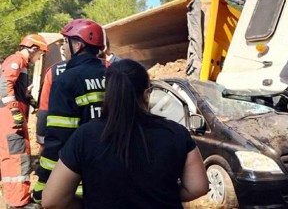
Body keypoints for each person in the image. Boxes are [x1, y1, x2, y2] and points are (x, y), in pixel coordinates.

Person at [41, 59, 208, 208]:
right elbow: (198, 187)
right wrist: (165, 196)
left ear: (108, 95)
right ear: (146, 94)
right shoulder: (176, 133)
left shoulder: (85, 136)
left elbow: (52, 200)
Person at [32, 19, 107, 203]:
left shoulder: (67, 80)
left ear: (78, 45)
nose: (63, 48)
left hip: (78, 177)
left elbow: (59, 136)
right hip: (111, 171)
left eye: (65, 42)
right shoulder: (114, 74)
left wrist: (44, 183)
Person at [0, 34, 48, 208]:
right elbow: (4, 84)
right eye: (40, 54)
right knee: (16, 159)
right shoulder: (16, 60)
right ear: (34, 49)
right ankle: (18, 203)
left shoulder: (22, 64)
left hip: (12, 119)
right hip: (11, 120)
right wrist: (14, 109)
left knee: (19, 157)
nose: (39, 58)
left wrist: (27, 98)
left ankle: (17, 200)